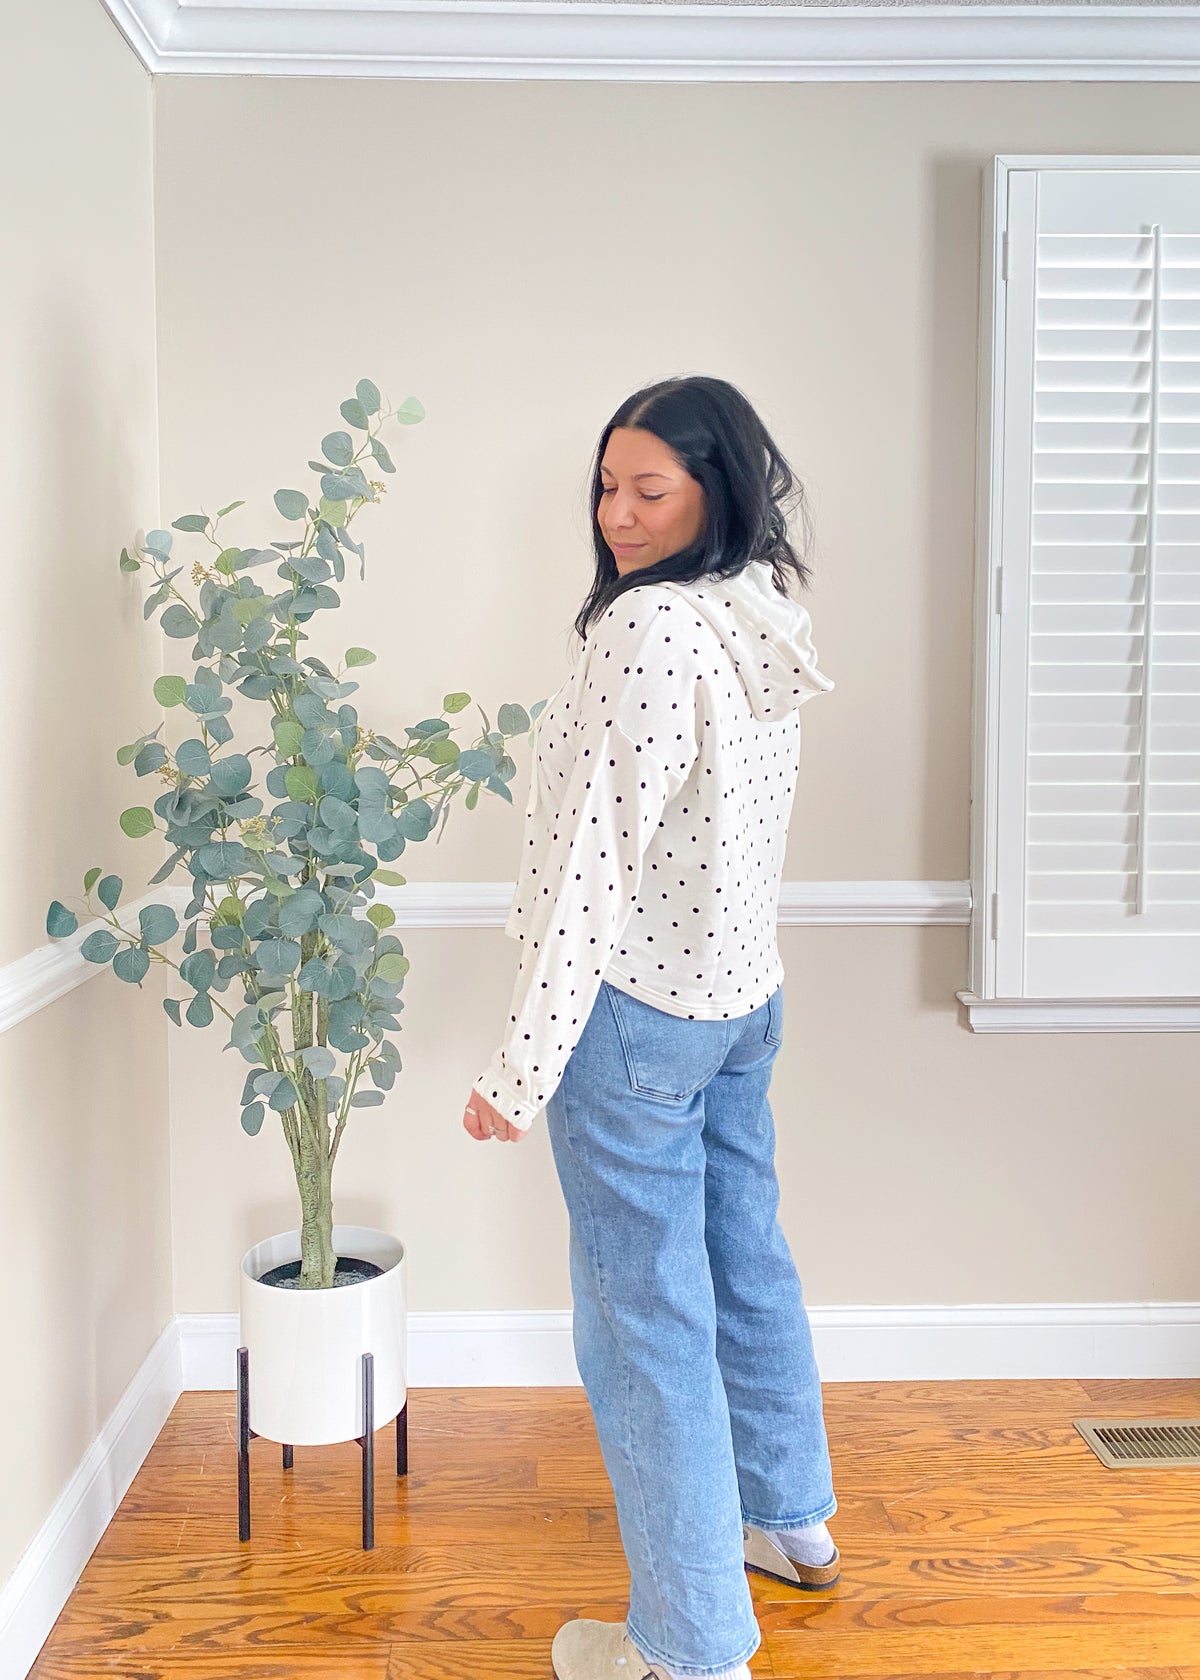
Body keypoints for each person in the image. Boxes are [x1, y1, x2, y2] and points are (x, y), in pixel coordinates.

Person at [463, 375, 840, 1680]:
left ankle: (687, 1647)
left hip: (634, 1017)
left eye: (649, 490)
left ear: (712, 491)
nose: (617, 516)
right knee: (746, 1260)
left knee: (646, 1327)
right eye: (606, 487)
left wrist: (521, 1066)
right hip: (741, 998)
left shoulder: (649, 629)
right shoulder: (761, 604)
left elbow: (592, 862)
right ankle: (789, 1518)